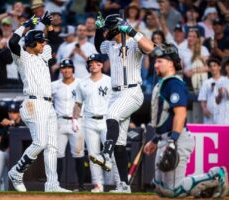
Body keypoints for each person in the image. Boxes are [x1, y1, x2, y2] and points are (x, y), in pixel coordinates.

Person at [143, 43, 229, 198]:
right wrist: (155, 140)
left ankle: (216, 174)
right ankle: (202, 187)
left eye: (160, 61)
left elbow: (180, 114)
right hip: (165, 138)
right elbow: (163, 117)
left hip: (177, 138)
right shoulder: (162, 83)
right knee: (159, 187)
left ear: (170, 63)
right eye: (155, 61)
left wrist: (172, 140)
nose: (155, 64)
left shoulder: (174, 83)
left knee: (172, 191)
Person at [90, 14, 154, 192]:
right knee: (119, 143)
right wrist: (97, 29)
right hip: (116, 94)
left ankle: (105, 155)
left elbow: (150, 48)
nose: (106, 32)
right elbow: (98, 46)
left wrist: (132, 31)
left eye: (107, 29)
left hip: (132, 91)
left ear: (116, 28)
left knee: (111, 116)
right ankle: (124, 185)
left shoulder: (133, 43)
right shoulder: (110, 45)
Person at [7, 14, 70, 192]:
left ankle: (52, 185)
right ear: (31, 43)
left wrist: (47, 25)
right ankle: (17, 172)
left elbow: (54, 42)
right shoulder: (22, 56)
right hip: (33, 103)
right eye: (40, 42)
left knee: (52, 146)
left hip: (48, 105)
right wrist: (25, 26)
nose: (43, 44)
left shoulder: (43, 56)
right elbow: (12, 42)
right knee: (40, 143)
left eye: (43, 42)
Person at [73, 54, 119, 192]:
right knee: (93, 155)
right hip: (89, 120)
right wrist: (74, 119)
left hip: (107, 120)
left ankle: (119, 183)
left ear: (101, 65)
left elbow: (117, 102)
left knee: (112, 154)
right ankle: (98, 185)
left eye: (96, 63)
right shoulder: (82, 83)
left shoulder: (110, 81)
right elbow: (78, 104)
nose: (93, 65)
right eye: (91, 63)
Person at [51, 58, 85, 191]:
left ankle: (81, 186)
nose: (66, 70)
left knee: (78, 153)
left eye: (69, 67)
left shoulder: (81, 83)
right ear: (61, 70)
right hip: (59, 121)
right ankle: (56, 185)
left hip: (76, 120)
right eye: (64, 68)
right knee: (58, 154)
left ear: (73, 69)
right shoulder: (54, 85)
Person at [198, 58, 225, 124]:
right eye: (211, 66)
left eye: (214, 65)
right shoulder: (206, 82)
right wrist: (204, 109)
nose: (212, 68)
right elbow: (202, 98)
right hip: (209, 114)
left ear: (220, 67)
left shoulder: (226, 81)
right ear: (209, 69)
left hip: (223, 114)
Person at [215, 56, 229, 125]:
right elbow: (217, 101)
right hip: (222, 116)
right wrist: (220, 95)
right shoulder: (221, 81)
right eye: (228, 65)